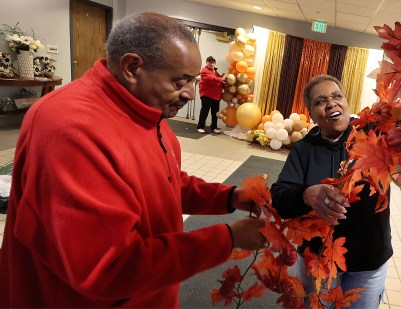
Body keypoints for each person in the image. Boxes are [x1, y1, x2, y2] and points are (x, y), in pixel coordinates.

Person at [0, 13, 266, 307]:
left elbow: (162, 183)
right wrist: (227, 239)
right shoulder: (70, 128)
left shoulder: (147, 107)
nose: (190, 93)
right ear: (132, 67)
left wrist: (230, 198)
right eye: (180, 81)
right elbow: (108, 267)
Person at [271, 75, 392, 308]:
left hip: (368, 260)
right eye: (320, 101)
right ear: (312, 113)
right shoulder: (304, 148)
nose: (331, 103)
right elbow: (278, 196)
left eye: (337, 96)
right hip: (318, 261)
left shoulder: (372, 133)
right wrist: (306, 194)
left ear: (347, 102)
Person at [197, 55, 224, 134]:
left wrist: (224, 80)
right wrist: (221, 79)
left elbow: (219, 81)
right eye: (210, 62)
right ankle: (200, 127)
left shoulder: (215, 71)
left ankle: (214, 127)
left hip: (216, 96)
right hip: (207, 95)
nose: (211, 64)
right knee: (204, 112)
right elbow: (210, 79)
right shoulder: (204, 70)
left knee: (215, 113)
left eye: (213, 62)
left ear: (215, 63)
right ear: (206, 62)